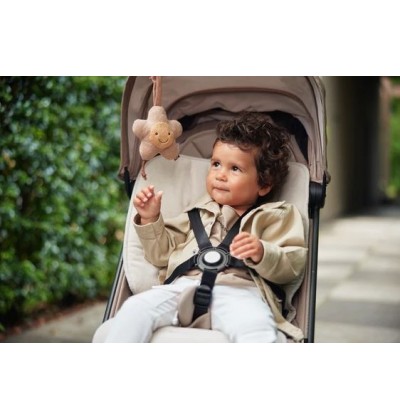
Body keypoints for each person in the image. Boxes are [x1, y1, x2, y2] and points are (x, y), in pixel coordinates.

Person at [105, 112, 307, 343]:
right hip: (183, 286)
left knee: (256, 328)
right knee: (135, 309)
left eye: (235, 169)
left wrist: (263, 252)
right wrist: (150, 219)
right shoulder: (195, 214)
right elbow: (161, 254)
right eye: (216, 164)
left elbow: (292, 266)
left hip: (240, 292)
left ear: (264, 184)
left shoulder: (277, 216)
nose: (220, 175)